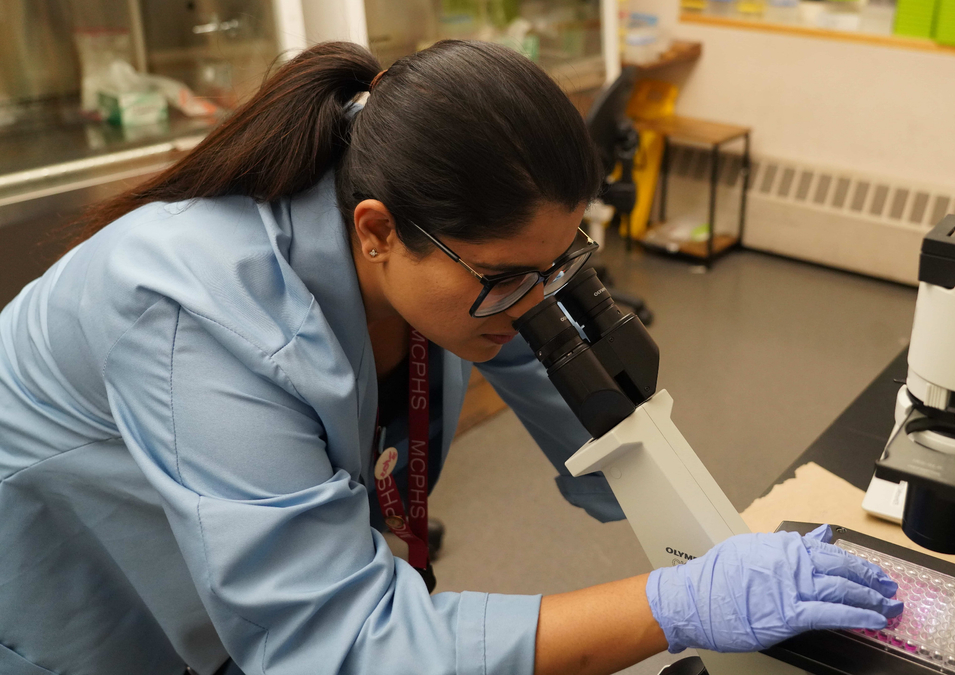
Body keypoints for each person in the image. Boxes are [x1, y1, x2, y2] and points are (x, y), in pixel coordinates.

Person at [0, 41, 901, 675]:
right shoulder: (194, 313)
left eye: (561, 264)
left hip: (244, 567)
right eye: (511, 277)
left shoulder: (442, 245)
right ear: (377, 232)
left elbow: (595, 442)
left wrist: (707, 529)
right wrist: (674, 606)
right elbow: (337, 647)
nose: (537, 301)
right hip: (82, 584)